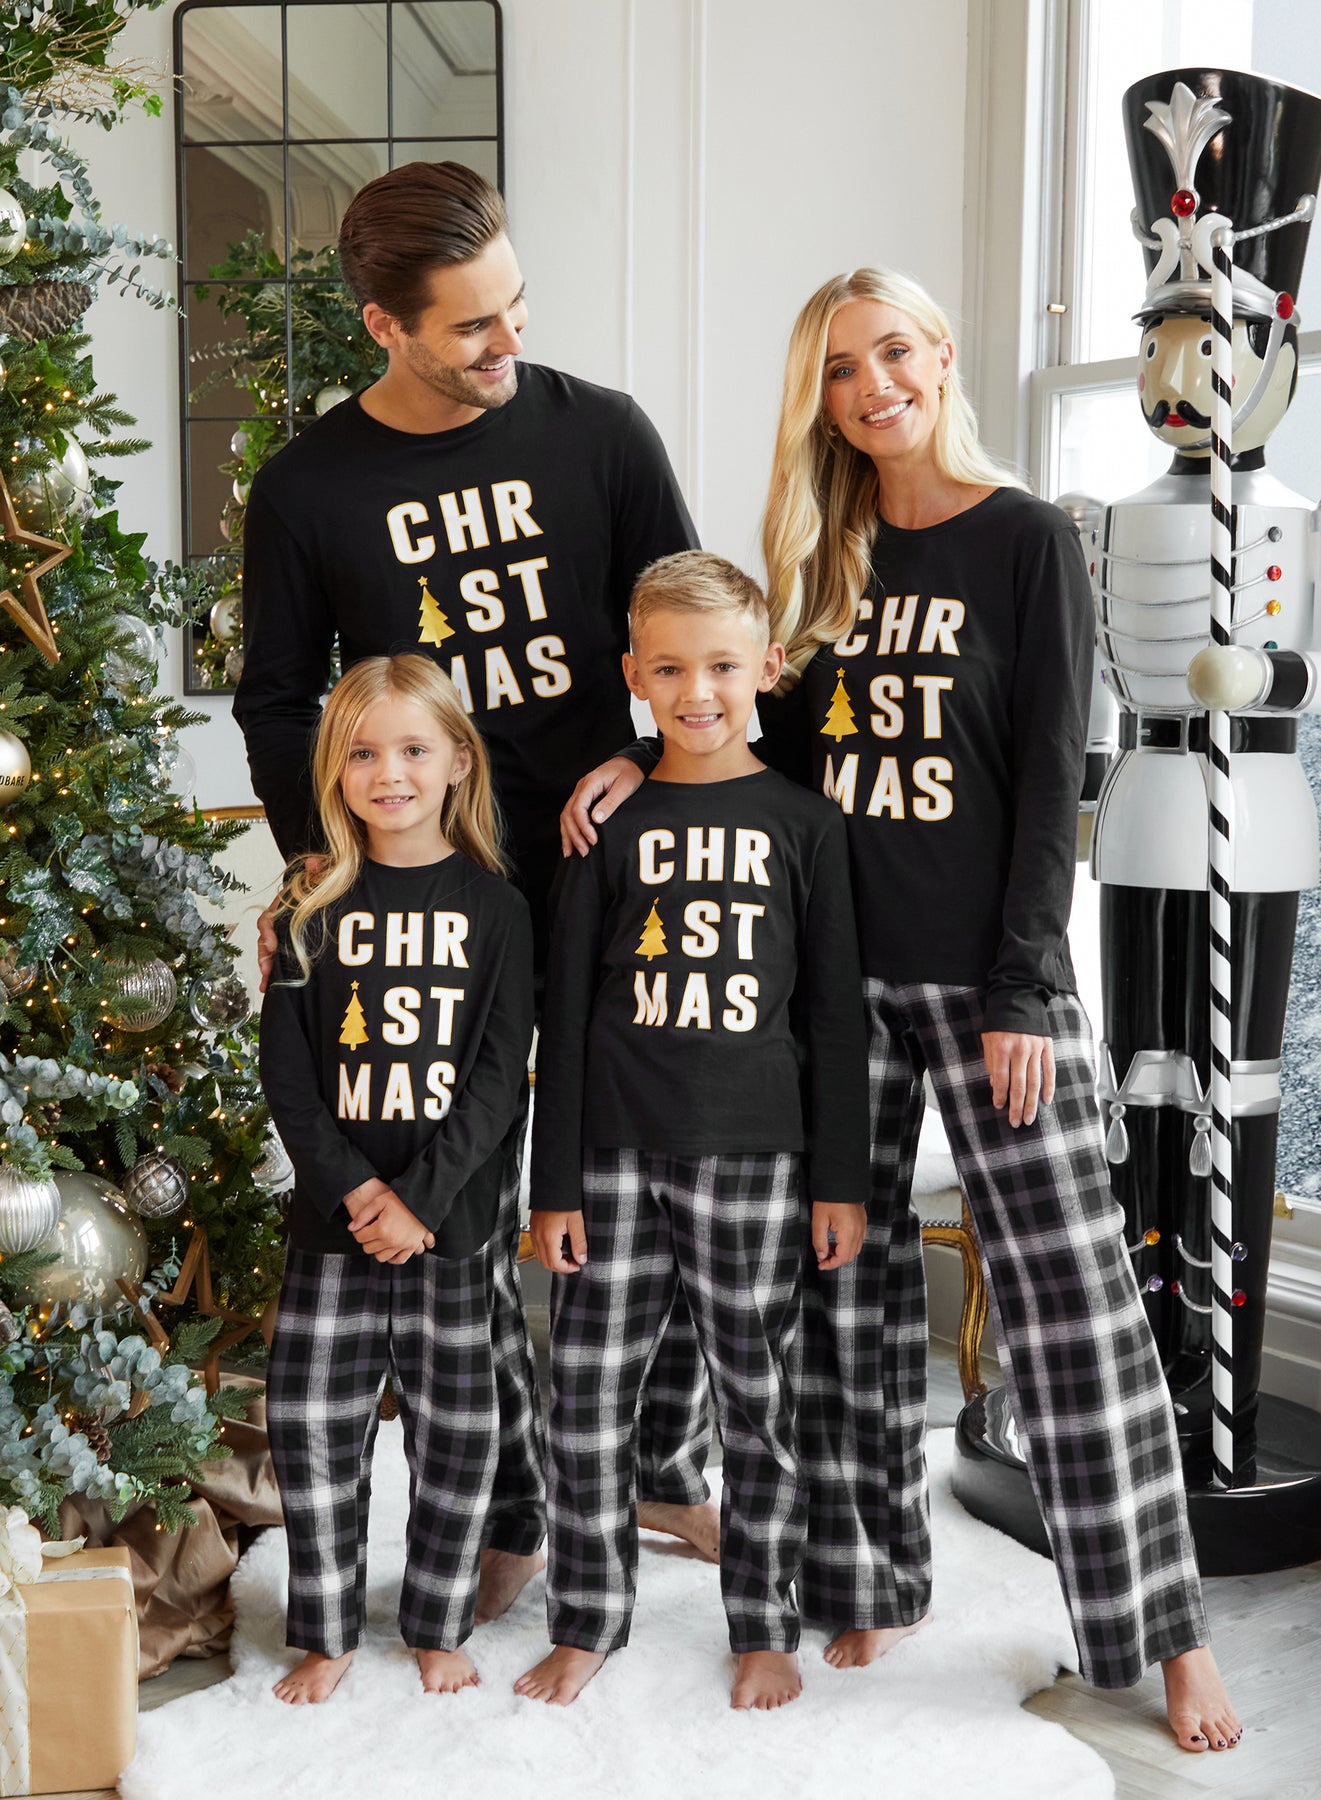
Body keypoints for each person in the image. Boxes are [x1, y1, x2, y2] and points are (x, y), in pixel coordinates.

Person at [562, 270, 1243, 1754]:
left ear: (938, 357)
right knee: (840, 1295)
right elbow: (753, 738)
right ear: (817, 399)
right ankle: (867, 1574)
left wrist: (1022, 984)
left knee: (1074, 1304)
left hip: (994, 987)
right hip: (825, 987)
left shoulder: (1028, 541)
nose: (871, 386)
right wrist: (632, 757)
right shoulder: (816, 561)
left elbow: (1054, 772)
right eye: (838, 368)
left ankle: (1165, 1635)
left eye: (891, 353)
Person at [235, 160, 718, 1617]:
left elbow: (684, 627)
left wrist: (644, 754)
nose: (510, 342)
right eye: (471, 327)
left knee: (643, 1181)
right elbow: (279, 697)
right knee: (469, 1195)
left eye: (515, 306)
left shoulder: (602, 433)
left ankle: (654, 1464)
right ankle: (513, 1499)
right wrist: (318, 862)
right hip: (430, 893)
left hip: (609, 864)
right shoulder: (310, 487)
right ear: (384, 327)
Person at [516, 551, 869, 1712]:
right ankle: (585, 1620)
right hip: (611, 1155)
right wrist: (552, 1185)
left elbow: (831, 1017)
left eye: (720, 665)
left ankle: (762, 1623)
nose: (696, 690)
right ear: (632, 675)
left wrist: (838, 1179)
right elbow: (565, 1013)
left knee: (757, 1403)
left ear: (766, 667)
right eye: (668, 668)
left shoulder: (806, 825)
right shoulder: (604, 824)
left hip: (758, 1157)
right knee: (585, 1398)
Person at [261, 653, 534, 1704]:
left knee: (455, 1438)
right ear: (336, 771)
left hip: (447, 1226)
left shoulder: (496, 909)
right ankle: (326, 1630)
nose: (390, 773)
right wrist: (354, 1192)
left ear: (457, 761)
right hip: (333, 1227)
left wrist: (419, 1198)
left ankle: (436, 1622)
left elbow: (498, 1077)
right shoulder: (307, 906)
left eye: (413, 749)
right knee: (314, 1431)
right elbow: (288, 1075)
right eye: (364, 753)